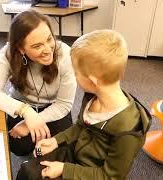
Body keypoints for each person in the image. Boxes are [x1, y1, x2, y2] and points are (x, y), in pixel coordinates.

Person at [16, 29, 151, 179]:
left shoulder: (129, 129)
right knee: (27, 171)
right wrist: (56, 140)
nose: (74, 76)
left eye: (76, 73)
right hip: (76, 153)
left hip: (93, 174)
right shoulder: (92, 97)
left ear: (92, 81)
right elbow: (81, 127)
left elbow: (110, 176)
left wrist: (65, 169)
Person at [0, 10, 77, 156]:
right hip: (22, 106)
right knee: (18, 147)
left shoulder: (65, 55)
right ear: (20, 48)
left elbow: (64, 104)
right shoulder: (9, 53)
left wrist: (31, 122)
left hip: (53, 107)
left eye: (49, 39)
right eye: (37, 46)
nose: (48, 50)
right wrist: (26, 112)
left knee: (63, 146)